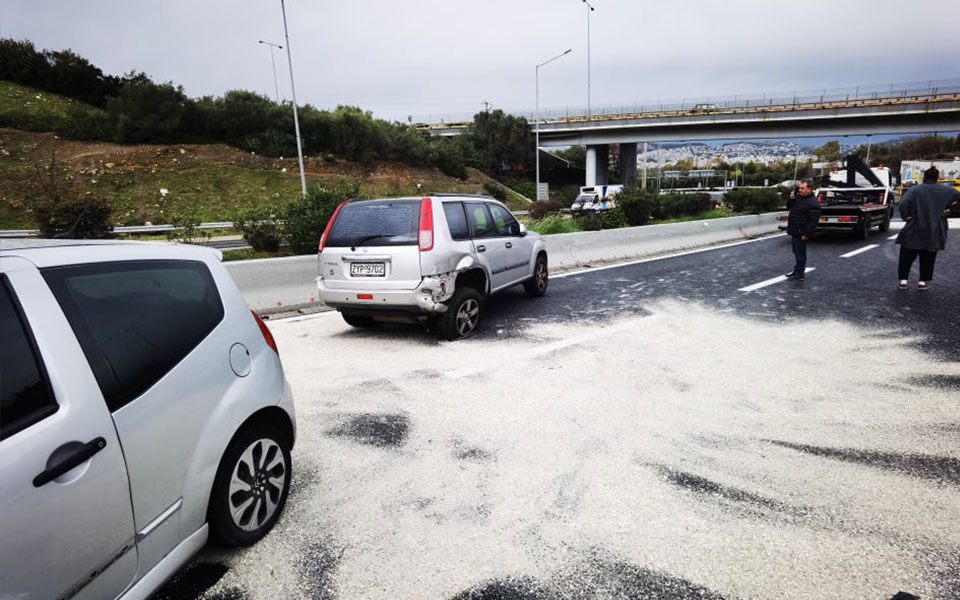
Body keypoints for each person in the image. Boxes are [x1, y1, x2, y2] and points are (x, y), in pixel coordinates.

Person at [895, 166, 960, 290]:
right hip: (935, 228)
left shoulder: (915, 190)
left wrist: (906, 216)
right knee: (929, 257)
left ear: (924, 177)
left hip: (915, 226)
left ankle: (903, 281)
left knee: (906, 255)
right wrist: (950, 210)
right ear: (937, 178)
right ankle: (922, 282)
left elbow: (903, 203)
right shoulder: (947, 190)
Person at [785, 179, 821, 280]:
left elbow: (813, 221)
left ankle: (800, 273)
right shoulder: (798, 198)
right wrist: (791, 198)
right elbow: (788, 207)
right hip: (795, 230)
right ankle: (796, 271)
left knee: (800, 253)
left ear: (809, 189)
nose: (799, 190)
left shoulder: (813, 203)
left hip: (802, 231)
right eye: (799, 188)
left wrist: (806, 234)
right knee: (796, 252)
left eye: (802, 188)